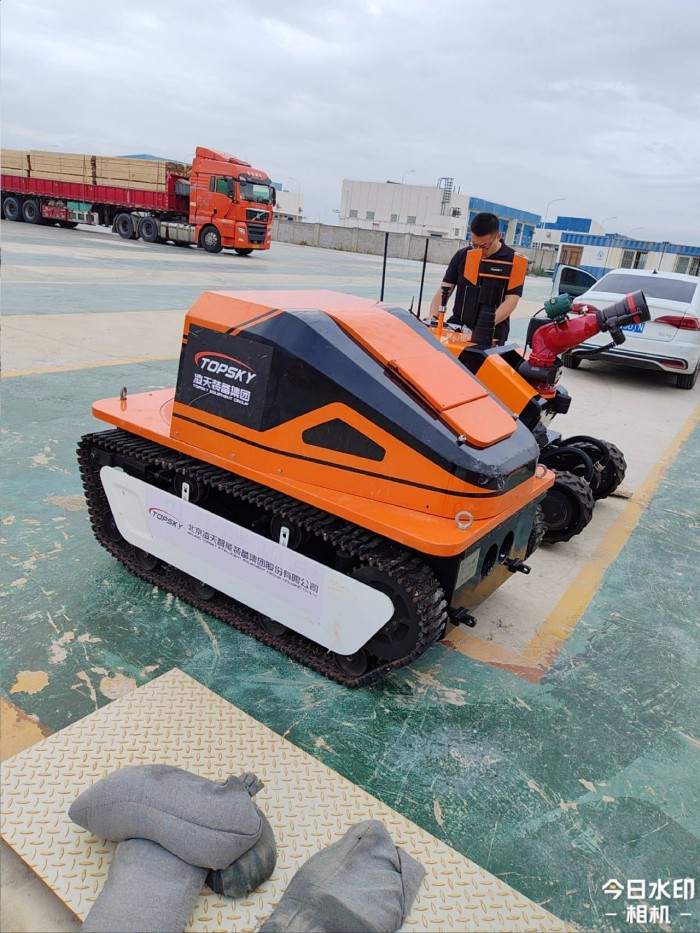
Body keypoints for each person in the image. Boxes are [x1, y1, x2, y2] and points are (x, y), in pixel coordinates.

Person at [429, 212, 523, 345]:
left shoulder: (514, 261)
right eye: (474, 244)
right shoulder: (462, 255)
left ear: (498, 236)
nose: (478, 250)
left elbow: (512, 300)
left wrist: (484, 327)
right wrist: (433, 320)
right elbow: (445, 289)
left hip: (492, 333)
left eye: (484, 246)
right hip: (458, 328)